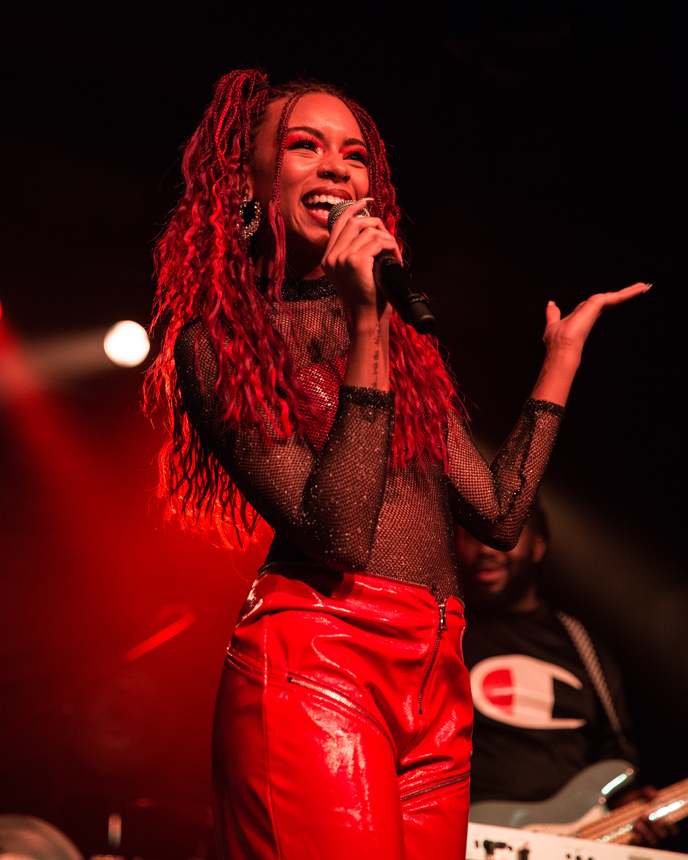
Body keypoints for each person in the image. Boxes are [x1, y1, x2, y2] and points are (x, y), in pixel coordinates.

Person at [144, 68, 649, 860]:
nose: (336, 168)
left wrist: (559, 363)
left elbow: (501, 514)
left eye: (353, 155)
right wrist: (367, 325)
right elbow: (339, 532)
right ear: (251, 182)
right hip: (322, 661)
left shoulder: (404, 351)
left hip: (438, 676)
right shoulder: (220, 344)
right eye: (303, 147)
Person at [456, 504, 679, 847]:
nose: (487, 550)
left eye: (504, 536)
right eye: (473, 537)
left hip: (569, 842)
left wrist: (627, 808)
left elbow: (614, 749)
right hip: (463, 834)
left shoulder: (582, 644)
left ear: (538, 546)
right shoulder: (445, 631)